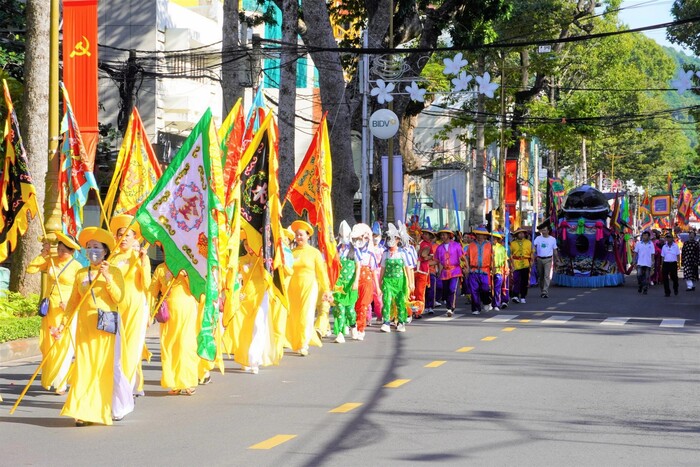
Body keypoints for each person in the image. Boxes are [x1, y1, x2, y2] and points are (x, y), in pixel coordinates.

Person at [60, 227, 131, 426]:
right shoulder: (81, 273)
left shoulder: (114, 271)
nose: (92, 250)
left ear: (105, 251)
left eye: (96, 247)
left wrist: (107, 277)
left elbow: (119, 298)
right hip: (85, 326)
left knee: (103, 368)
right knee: (83, 367)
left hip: (106, 327)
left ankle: (102, 409)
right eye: (89, 247)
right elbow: (74, 301)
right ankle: (82, 410)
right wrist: (63, 324)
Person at [27, 232, 82, 395]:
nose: (60, 252)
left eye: (65, 250)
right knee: (48, 344)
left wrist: (72, 305)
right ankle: (51, 378)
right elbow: (30, 269)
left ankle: (62, 382)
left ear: (72, 252)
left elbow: (80, 290)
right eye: (59, 248)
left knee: (63, 345)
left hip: (66, 310)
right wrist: (43, 255)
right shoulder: (51, 261)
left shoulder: (77, 267)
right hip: (50, 309)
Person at [109, 215, 151, 397]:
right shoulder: (111, 258)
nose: (123, 238)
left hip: (134, 307)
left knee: (132, 348)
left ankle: (126, 389)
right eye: (120, 234)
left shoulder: (140, 257)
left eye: (128, 235)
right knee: (116, 350)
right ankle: (117, 385)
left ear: (135, 238)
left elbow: (147, 284)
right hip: (115, 307)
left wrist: (142, 262)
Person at [150, 257, 199, 394]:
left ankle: (187, 381)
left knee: (185, 344)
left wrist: (186, 276)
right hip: (168, 313)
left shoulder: (187, 265)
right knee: (169, 346)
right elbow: (153, 291)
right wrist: (150, 311)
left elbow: (196, 288)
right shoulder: (160, 268)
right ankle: (174, 383)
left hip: (186, 309)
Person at [286, 220, 332, 356]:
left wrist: (326, 290)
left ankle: (304, 343)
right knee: (294, 315)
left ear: (308, 236)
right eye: (297, 235)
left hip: (309, 287)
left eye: (301, 235)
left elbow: (322, 273)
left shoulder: (314, 253)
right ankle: (296, 341)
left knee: (306, 314)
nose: (299, 237)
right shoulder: (291, 253)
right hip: (293, 288)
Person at [379, 224, 414, 333]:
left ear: (398, 240)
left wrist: (411, 283)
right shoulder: (385, 253)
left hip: (400, 281)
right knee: (387, 301)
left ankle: (401, 322)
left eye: (393, 238)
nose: (391, 240)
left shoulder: (402, 253)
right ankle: (386, 322)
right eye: (389, 238)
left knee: (400, 301)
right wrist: (380, 281)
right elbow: (382, 268)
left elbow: (408, 268)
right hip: (388, 281)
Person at [332, 222, 359, 343]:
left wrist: (356, 281)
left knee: (350, 311)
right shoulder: (336, 250)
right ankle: (340, 333)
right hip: (339, 284)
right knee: (339, 309)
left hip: (350, 285)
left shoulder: (354, 250)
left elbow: (358, 266)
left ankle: (353, 326)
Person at [351, 223, 377, 341]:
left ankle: (361, 328)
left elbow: (374, 271)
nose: (361, 240)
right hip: (353, 279)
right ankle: (353, 324)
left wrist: (378, 287)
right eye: (359, 237)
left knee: (363, 305)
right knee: (353, 304)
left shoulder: (370, 253)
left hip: (366, 280)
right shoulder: (352, 251)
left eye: (365, 237)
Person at [434, 228, 464, 317]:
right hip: (444, 272)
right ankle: (449, 306)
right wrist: (424, 263)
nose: (443, 236)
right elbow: (436, 260)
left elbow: (462, 257)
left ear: (449, 235)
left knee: (452, 289)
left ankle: (450, 308)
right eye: (441, 235)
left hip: (455, 270)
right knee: (446, 290)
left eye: (444, 235)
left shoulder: (456, 245)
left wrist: (467, 267)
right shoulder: (439, 248)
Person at [465, 226, 493, 315]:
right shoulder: (471, 245)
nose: (480, 236)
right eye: (478, 234)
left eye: (482, 235)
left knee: (485, 288)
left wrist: (494, 268)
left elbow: (493, 258)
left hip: (485, 271)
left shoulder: (489, 246)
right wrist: (466, 268)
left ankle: (486, 302)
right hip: (473, 271)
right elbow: (467, 257)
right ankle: (476, 308)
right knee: (474, 290)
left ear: (485, 236)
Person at [532, 224, 558, 298]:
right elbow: (533, 246)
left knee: (547, 276)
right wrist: (533, 253)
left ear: (548, 231)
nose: (543, 231)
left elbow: (555, 250)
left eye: (545, 230)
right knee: (541, 276)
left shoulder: (552, 239)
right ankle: (542, 290)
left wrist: (557, 259)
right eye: (542, 230)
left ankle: (545, 291)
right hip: (539, 259)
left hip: (548, 259)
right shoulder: (538, 238)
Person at [415, 228, 436, 315]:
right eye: (424, 234)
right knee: (412, 290)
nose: (425, 235)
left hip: (423, 271)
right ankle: (411, 309)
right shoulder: (413, 243)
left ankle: (418, 311)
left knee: (420, 291)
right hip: (412, 270)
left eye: (428, 234)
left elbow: (429, 256)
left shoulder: (428, 245)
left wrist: (426, 257)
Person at [510, 227, 533, 304]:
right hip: (516, 263)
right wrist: (511, 264)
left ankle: (523, 296)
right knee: (516, 280)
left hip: (526, 263)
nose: (521, 234)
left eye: (522, 233)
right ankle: (515, 295)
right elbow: (510, 254)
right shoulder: (512, 244)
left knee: (524, 281)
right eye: (519, 233)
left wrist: (532, 260)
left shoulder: (528, 242)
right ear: (516, 235)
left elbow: (532, 252)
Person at [633, 230, 655, 295]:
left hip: (648, 263)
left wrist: (652, 262)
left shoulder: (651, 244)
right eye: (643, 235)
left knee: (646, 277)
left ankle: (645, 289)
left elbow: (652, 254)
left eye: (646, 235)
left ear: (649, 237)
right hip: (640, 263)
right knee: (639, 275)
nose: (644, 237)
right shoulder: (639, 243)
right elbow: (635, 252)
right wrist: (634, 260)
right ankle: (640, 285)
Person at [491, 231, 508, 312]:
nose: (493, 239)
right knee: (489, 288)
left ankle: (496, 304)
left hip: (499, 270)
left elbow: (505, 259)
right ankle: (490, 303)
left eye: (495, 237)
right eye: (492, 237)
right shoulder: (487, 247)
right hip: (488, 270)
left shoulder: (502, 248)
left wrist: (507, 268)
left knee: (497, 288)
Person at [661, 233, 680, 297]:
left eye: (670, 237)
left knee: (674, 277)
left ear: (672, 239)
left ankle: (675, 288)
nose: (668, 239)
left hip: (673, 263)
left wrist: (678, 263)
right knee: (665, 278)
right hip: (666, 263)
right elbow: (662, 256)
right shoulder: (664, 247)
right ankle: (667, 292)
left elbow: (678, 255)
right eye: (667, 237)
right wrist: (662, 264)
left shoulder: (675, 246)